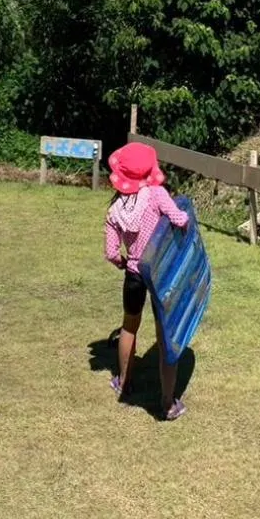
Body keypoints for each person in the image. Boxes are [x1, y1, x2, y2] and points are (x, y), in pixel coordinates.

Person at [104, 141, 190, 420]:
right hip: (160, 274)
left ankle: (124, 383)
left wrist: (123, 263)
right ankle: (166, 403)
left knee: (129, 327)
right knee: (165, 334)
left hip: (133, 275)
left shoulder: (115, 209)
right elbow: (179, 219)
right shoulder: (156, 195)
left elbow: (111, 252)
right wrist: (188, 217)